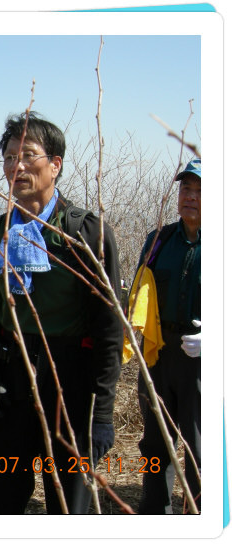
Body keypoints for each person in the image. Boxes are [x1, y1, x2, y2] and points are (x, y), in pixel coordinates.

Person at [0, 112, 123, 514]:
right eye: (8, 157)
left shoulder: (86, 233)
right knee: (6, 498)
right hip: (12, 380)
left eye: (28, 155)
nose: (16, 166)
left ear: (55, 164)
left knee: (68, 504)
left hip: (69, 385)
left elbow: (111, 329)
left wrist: (103, 413)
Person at [136, 158, 201, 514]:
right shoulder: (158, 241)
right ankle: (153, 513)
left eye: (201, 190)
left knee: (200, 447)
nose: (190, 196)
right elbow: (139, 296)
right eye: (185, 188)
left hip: (204, 364)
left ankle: (200, 519)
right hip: (159, 357)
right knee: (155, 443)